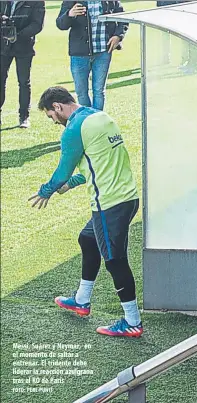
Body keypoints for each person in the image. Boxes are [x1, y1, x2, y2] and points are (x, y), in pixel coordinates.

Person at [30, 86, 143, 338]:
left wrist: (46, 190)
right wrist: (72, 184)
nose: (54, 121)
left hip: (109, 204)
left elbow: (62, 171)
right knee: (87, 239)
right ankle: (81, 300)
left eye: (51, 116)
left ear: (58, 107)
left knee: (115, 261)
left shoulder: (73, 129)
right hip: (127, 198)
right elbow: (101, 162)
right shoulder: (100, 117)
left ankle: (132, 321)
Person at [56, 1, 128, 111]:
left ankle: (98, 121)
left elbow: (123, 18)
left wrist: (118, 36)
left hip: (103, 51)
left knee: (99, 90)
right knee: (81, 92)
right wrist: (69, 14)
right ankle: (87, 120)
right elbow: (61, 24)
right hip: (79, 53)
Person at [0, 0, 45, 128]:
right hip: (3, 47)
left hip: (24, 47)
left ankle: (24, 116)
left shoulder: (37, 2)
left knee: (24, 82)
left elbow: (37, 25)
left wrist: (17, 35)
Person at [156, 1, 197, 74]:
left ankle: (195, 67)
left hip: (192, 9)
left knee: (193, 38)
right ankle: (190, 64)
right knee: (187, 37)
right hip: (184, 8)